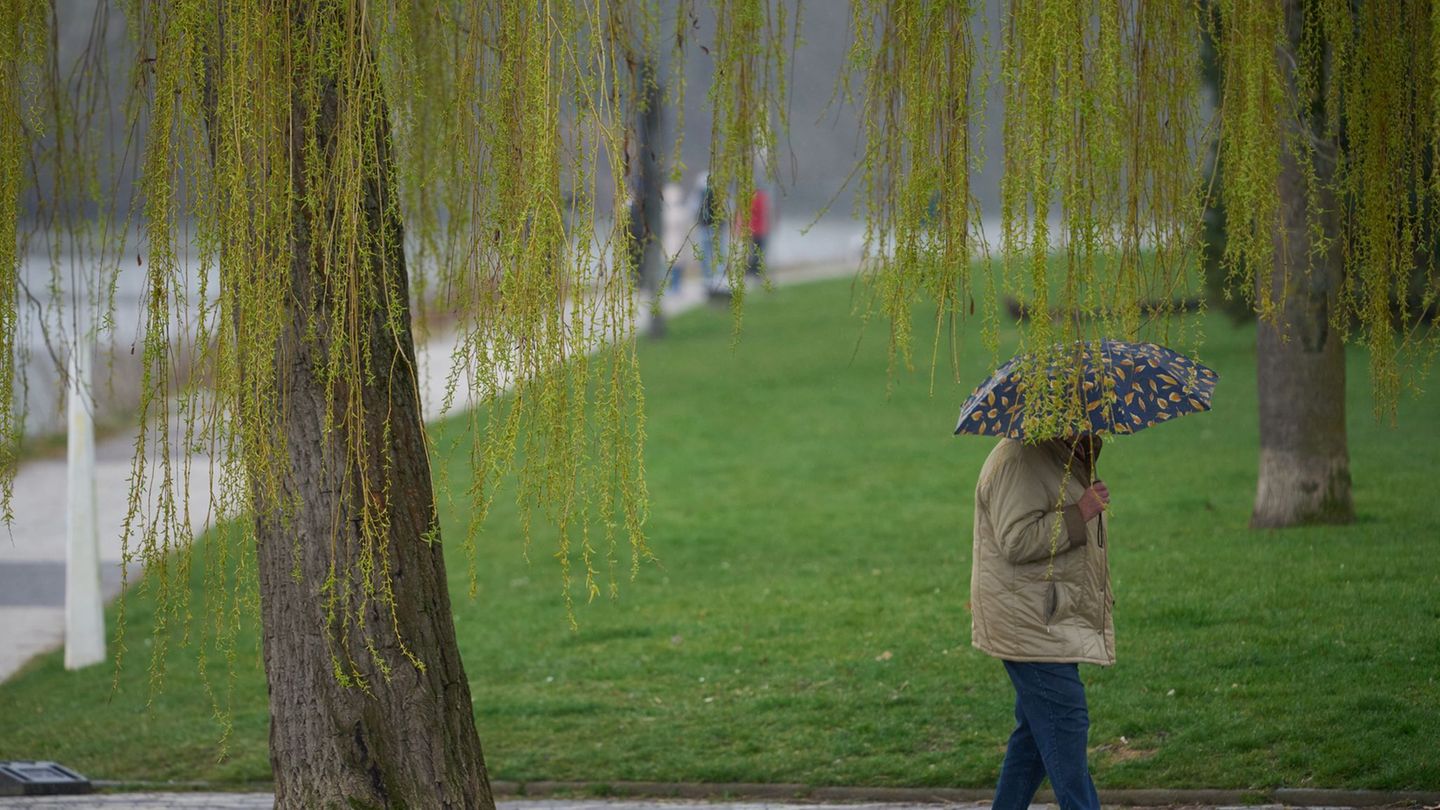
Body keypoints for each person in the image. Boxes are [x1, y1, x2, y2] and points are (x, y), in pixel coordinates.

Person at [970, 434, 1112, 810]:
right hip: (1029, 623)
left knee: (1035, 737)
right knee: (1066, 722)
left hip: (1048, 616)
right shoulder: (1019, 459)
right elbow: (1016, 541)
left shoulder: (1057, 453)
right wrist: (1079, 512)